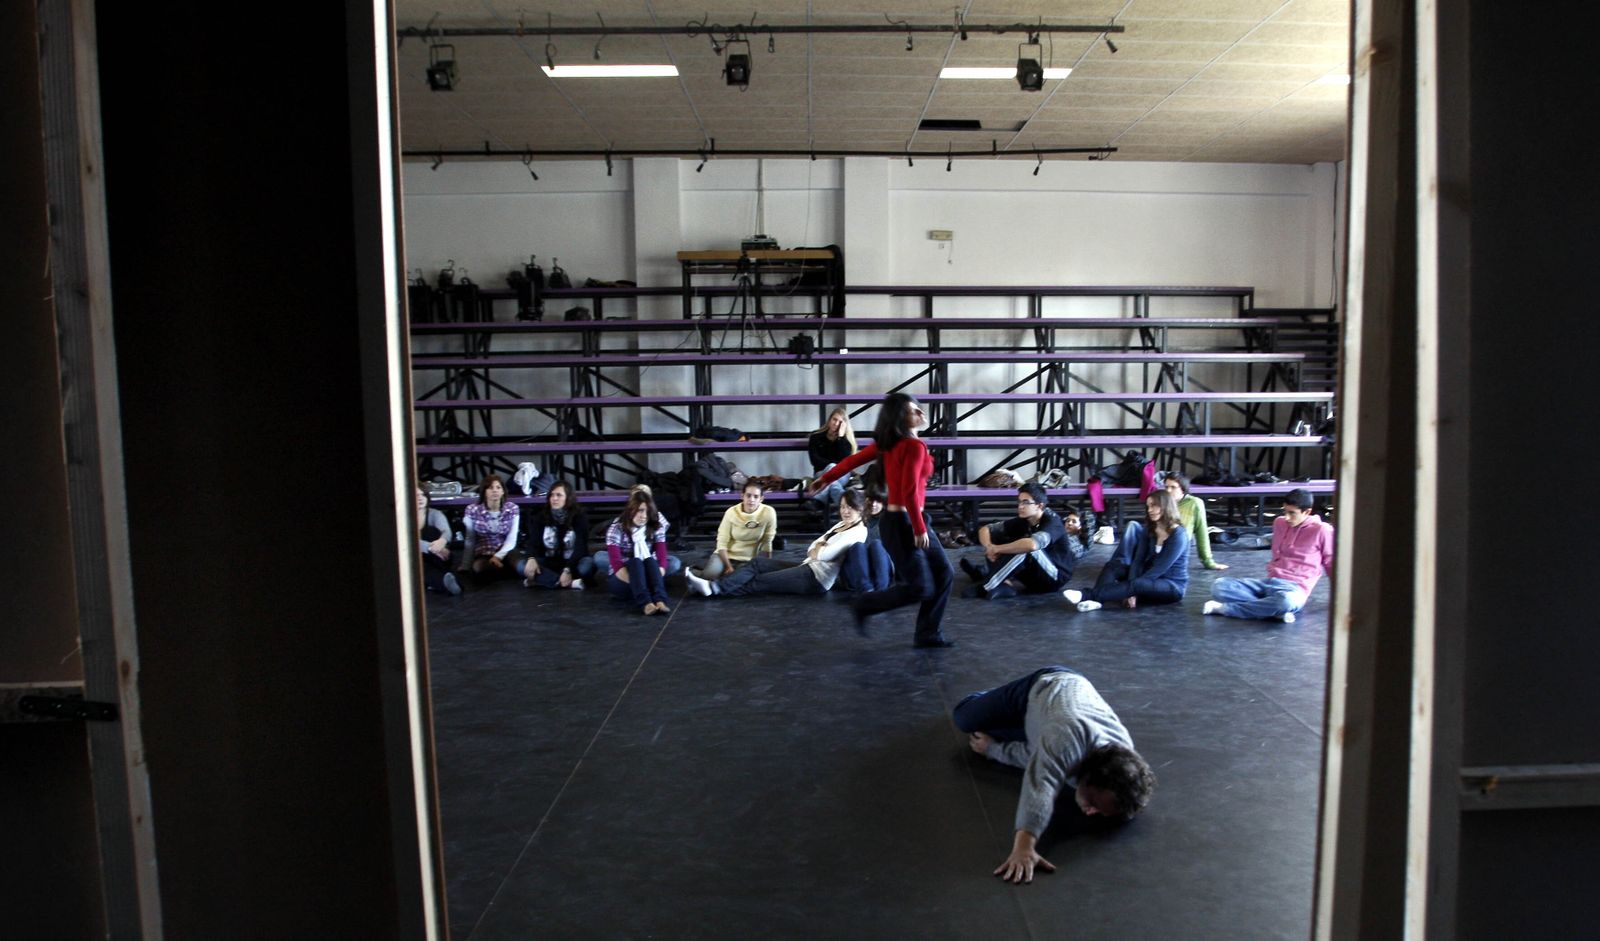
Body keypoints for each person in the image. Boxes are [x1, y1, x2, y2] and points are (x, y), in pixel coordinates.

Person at [953, 666, 1156, 884]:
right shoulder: (1064, 738)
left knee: (998, 738)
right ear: (1091, 777)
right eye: (1094, 802)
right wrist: (1024, 847)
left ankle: (1014, 723)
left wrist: (997, 750)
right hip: (1045, 687)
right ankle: (993, 697)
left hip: (1052, 721)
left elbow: (1042, 758)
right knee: (964, 719)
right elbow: (1040, 785)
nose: (1090, 812)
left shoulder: (1122, 758)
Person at [806, 392, 955, 648]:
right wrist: (919, 528)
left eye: (918, 408)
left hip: (910, 519)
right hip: (904, 523)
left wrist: (825, 479)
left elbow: (851, 461)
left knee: (944, 574)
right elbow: (908, 489)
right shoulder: (911, 446)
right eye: (912, 411)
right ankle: (865, 604)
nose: (920, 413)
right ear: (901, 418)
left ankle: (928, 633)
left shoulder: (892, 444)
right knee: (921, 587)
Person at [684, 491, 867, 597]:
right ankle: (713, 586)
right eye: (843, 506)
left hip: (816, 579)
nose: (845, 511)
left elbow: (821, 554)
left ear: (860, 509)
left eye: (850, 507)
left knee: (759, 581)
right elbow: (813, 546)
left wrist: (819, 549)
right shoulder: (842, 524)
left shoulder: (858, 531)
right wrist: (818, 549)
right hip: (808, 567)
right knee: (757, 563)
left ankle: (714, 588)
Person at [1204, 488, 1334, 624]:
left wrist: (1340, 596)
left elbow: (1331, 563)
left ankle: (1228, 609)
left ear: (1307, 512)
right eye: (1285, 511)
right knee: (1219, 586)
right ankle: (1271, 611)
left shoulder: (1322, 530)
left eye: (1292, 513)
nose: (1287, 517)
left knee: (1286, 602)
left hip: (1295, 589)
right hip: (1269, 583)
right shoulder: (1280, 522)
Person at [1064, 490, 1190, 611]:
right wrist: (1132, 588)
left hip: (1171, 585)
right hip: (1147, 578)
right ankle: (1097, 602)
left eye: (1154, 505)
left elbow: (1160, 568)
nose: (1150, 510)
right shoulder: (1150, 529)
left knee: (1137, 584)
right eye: (1148, 506)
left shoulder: (1178, 535)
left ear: (1166, 506)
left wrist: (1134, 590)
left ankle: (1087, 595)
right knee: (1113, 566)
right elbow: (1138, 560)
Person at [960, 482, 1084, 599]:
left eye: (1025, 502)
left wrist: (997, 549)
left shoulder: (1053, 522)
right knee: (1001, 539)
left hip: (1053, 577)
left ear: (1039, 506)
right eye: (1019, 502)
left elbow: (1032, 545)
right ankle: (1004, 583)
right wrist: (989, 547)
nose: (1020, 506)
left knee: (1026, 547)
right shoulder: (1024, 520)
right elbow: (986, 529)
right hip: (1033, 575)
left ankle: (986, 586)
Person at [590, 484, 683, 578]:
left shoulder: (656, 520)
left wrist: (658, 574)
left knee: (674, 563)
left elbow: (660, 550)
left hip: (649, 559)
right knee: (600, 557)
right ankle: (640, 576)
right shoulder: (619, 524)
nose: (643, 515)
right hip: (626, 561)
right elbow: (616, 558)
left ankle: (644, 575)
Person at [604, 490, 673, 615]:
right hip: (624, 578)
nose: (644, 516)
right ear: (631, 510)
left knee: (653, 561)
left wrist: (653, 577)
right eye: (640, 510)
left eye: (647, 511)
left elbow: (662, 557)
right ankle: (646, 603)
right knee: (635, 562)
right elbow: (617, 565)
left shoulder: (655, 525)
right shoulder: (616, 528)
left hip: (648, 572)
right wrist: (640, 583)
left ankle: (660, 600)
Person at [696, 480, 777, 581]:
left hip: (748, 559)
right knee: (710, 576)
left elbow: (767, 541)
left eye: (756, 496)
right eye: (748, 495)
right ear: (742, 496)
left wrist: (766, 565)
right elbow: (722, 542)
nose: (751, 499)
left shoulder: (769, 512)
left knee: (738, 579)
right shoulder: (731, 512)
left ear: (761, 499)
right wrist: (728, 566)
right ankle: (694, 571)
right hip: (724, 555)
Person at [522, 480, 594, 590]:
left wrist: (568, 569)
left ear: (568, 498)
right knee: (523, 565)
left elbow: (581, 547)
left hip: (573, 562)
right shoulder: (541, 516)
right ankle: (564, 583)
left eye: (559, 495)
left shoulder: (579, 517)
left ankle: (541, 580)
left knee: (587, 566)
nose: (554, 498)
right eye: (552, 495)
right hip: (549, 561)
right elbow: (533, 543)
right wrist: (531, 558)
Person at [460, 473, 528, 585]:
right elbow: (470, 539)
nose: (495, 491)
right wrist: (465, 565)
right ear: (484, 491)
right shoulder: (472, 510)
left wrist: (498, 556)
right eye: (491, 488)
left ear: (503, 491)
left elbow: (512, 538)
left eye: (498, 487)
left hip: (507, 550)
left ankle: (506, 569)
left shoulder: (512, 509)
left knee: (521, 567)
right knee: (479, 569)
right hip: (484, 551)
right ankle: (505, 571)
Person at [1163, 472, 1229, 571]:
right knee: (1134, 526)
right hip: (1159, 543)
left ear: (1183, 489)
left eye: (1173, 487)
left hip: (1177, 544)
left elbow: (1201, 532)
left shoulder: (1194, 503)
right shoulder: (1162, 500)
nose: (1168, 490)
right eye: (1166, 487)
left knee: (1177, 531)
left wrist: (1208, 562)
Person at [836, 483, 893, 593]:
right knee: (858, 546)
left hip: (880, 571)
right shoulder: (855, 517)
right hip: (856, 573)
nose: (873, 504)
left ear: (884, 502)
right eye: (870, 500)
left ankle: (881, 590)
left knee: (877, 544)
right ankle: (867, 590)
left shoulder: (889, 521)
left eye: (878, 501)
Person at [806, 407, 859, 511]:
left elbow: (845, 463)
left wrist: (840, 437)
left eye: (840, 422)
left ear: (844, 425)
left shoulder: (846, 440)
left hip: (842, 476)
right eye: (834, 419)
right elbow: (814, 460)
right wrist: (834, 466)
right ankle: (846, 506)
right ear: (829, 420)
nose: (836, 423)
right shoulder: (815, 437)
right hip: (820, 474)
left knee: (832, 474)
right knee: (832, 476)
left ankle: (819, 501)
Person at [416, 486, 461, 596]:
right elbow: (407, 541)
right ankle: (445, 582)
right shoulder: (402, 516)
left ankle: (437, 582)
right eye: (416, 495)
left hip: (440, 555)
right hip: (420, 555)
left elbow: (446, 531)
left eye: (423, 495)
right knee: (420, 565)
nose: (420, 498)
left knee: (432, 532)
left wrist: (442, 542)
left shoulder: (435, 514)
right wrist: (430, 548)